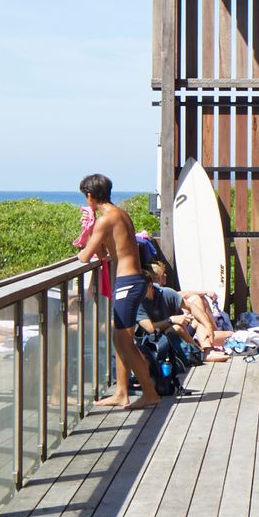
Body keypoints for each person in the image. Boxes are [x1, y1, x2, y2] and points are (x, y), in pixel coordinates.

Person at [77, 173, 158, 409]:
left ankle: (150, 393)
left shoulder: (105, 220)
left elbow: (85, 256)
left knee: (125, 343)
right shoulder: (120, 214)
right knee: (119, 339)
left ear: (90, 196)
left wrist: (89, 228)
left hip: (128, 282)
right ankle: (122, 392)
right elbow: (103, 253)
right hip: (133, 280)